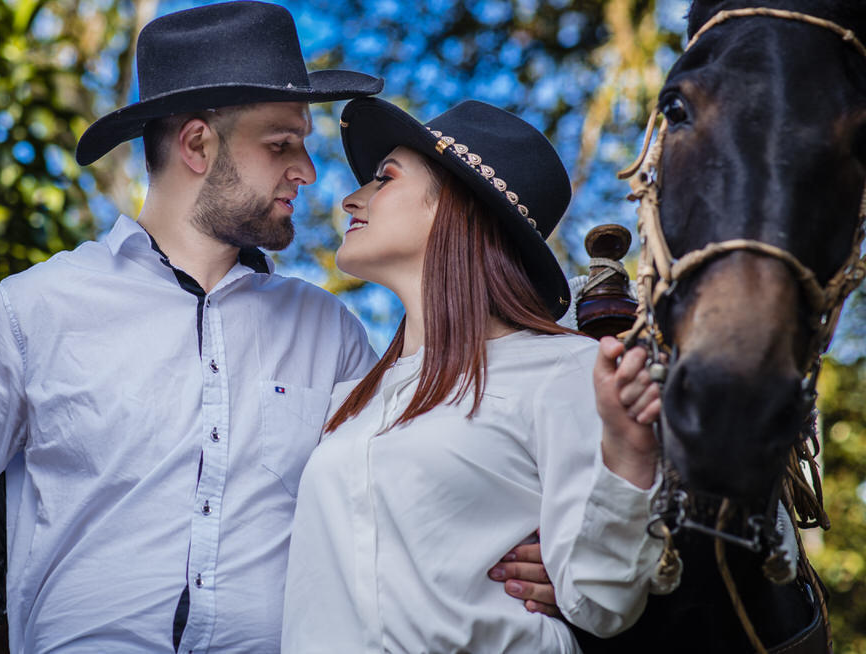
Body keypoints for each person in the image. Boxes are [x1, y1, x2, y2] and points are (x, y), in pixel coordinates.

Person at [0, 0, 554, 653]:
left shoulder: (332, 335)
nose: (308, 172)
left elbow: (411, 505)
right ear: (197, 144)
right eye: (282, 144)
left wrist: (546, 552)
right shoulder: (34, 311)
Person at [280, 97, 663, 653]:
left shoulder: (566, 372)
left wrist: (629, 455)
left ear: (454, 206)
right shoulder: (350, 400)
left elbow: (602, 601)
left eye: (384, 179)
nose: (350, 198)